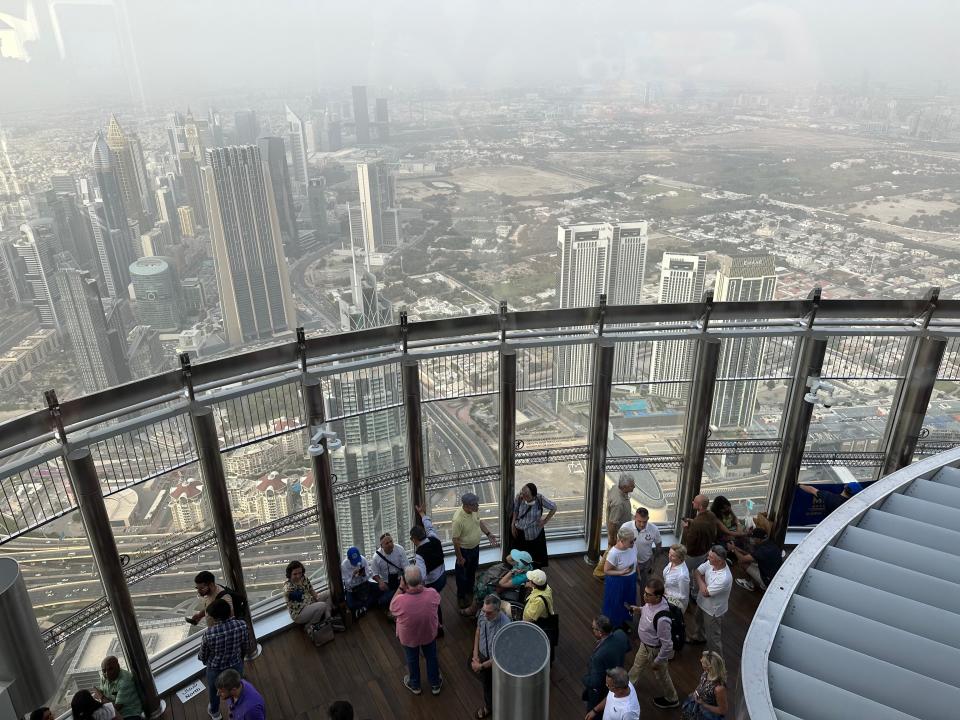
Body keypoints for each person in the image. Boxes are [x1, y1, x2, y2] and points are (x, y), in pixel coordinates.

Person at [390, 565, 443, 696]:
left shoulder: (400, 601)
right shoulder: (432, 594)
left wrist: (401, 587)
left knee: (412, 659)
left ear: (405, 581)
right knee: (431, 656)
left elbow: (391, 607)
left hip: (409, 637)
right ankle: (435, 683)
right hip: (428, 633)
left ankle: (415, 685)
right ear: (422, 579)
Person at [627, 578, 680, 710]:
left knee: (662, 675)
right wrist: (639, 609)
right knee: (636, 667)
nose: (644, 596)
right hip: (644, 646)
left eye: (648, 595)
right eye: (644, 593)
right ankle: (624, 689)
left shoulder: (662, 619)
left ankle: (672, 699)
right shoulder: (650, 603)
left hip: (655, 651)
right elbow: (646, 608)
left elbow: (667, 645)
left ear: (658, 597)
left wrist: (658, 660)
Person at [199, 598, 248, 720]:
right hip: (235, 663)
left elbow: (202, 655)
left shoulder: (209, 634)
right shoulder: (241, 625)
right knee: (236, 685)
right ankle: (238, 705)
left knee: (215, 691)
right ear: (229, 611)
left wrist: (207, 662)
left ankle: (215, 712)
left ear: (214, 617)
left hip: (215, 668)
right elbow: (245, 645)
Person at [453, 492, 499, 609]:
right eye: (475, 504)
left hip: (475, 548)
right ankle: (461, 596)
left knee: (472, 570)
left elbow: (479, 522)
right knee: (462, 575)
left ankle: (469, 590)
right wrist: (460, 557)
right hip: (464, 551)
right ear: (467, 506)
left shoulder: (474, 511)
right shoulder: (458, 520)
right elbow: (456, 540)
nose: (478, 506)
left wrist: (488, 534)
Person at [471, 594, 512, 719]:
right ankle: (489, 707)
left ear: (498, 610)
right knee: (487, 685)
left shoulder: (505, 626)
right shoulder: (483, 615)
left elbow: (501, 656)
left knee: (502, 686)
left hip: (499, 664)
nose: (485, 615)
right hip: (483, 658)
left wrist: (481, 666)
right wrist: (475, 654)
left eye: (489, 612)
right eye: (484, 611)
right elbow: (478, 631)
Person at [459, 548, 533, 617]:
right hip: (508, 581)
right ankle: (478, 606)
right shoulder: (527, 566)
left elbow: (501, 583)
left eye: (517, 561)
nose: (514, 560)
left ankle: (473, 609)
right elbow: (508, 558)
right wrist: (517, 557)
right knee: (485, 578)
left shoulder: (520, 578)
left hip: (509, 588)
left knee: (483, 588)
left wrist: (512, 571)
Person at [687, 546, 733, 656]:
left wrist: (701, 581)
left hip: (713, 611)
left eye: (711, 557)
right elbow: (697, 572)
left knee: (713, 638)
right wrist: (702, 582)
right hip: (702, 603)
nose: (708, 558)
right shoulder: (711, 563)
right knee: (698, 621)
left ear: (720, 561)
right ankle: (699, 637)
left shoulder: (724, 578)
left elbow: (706, 593)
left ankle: (717, 663)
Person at [582, 615, 630, 710]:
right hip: (617, 678)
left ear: (600, 632)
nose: (592, 630)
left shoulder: (598, 656)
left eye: (593, 628)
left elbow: (595, 682)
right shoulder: (621, 634)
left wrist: (585, 679)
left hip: (601, 691)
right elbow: (628, 647)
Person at [411, 505, 447, 635]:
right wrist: (422, 514)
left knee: (433, 605)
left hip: (433, 582)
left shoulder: (420, 554)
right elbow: (429, 526)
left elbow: (422, 575)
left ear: (414, 540)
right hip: (443, 576)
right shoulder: (434, 538)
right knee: (435, 601)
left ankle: (438, 628)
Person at [283, 560, 344, 635]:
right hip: (299, 613)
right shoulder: (288, 588)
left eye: (300, 573)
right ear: (290, 574)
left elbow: (310, 589)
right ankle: (310, 625)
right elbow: (299, 597)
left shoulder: (303, 578)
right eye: (295, 574)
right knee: (322, 605)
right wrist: (299, 584)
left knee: (330, 593)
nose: (298, 576)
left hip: (309, 602)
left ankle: (328, 617)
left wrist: (317, 597)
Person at [510, 482, 557, 567]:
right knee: (520, 557)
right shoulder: (519, 497)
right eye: (522, 492)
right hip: (520, 532)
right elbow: (515, 510)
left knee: (534, 558)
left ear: (533, 495)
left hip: (534, 533)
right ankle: (521, 572)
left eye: (526, 495)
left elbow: (554, 507)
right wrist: (513, 524)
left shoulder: (539, 499)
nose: (523, 496)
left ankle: (534, 574)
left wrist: (545, 521)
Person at [681, 495, 718, 602]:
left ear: (700, 506)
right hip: (704, 551)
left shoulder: (697, 524)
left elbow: (689, 542)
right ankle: (695, 593)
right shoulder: (711, 515)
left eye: (695, 501)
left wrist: (686, 528)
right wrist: (692, 522)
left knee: (685, 572)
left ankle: (685, 594)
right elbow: (706, 528)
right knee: (698, 572)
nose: (692, 502)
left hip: (692, 554)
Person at [620, 506, 662, 595]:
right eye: (639, 521)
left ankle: (644, 606)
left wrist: (654, 562)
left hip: (646, 563)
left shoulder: (654, 529)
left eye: (645, 522)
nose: (642, 524)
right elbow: (619, 544)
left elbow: (658, 545)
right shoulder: (625, 527)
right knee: (628, 587)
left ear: (648, 519)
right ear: (634, 517)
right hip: (629, 563)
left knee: (645, 588)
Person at [601, 527, 637, 630]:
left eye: (634, 540)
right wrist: (621, 572)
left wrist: (637, 574)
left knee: (628, 601)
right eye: (631, 541)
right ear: (622, 541)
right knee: (615, 603)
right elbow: (606, 570)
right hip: (617, 581)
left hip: (630, 579)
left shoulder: (632, 547)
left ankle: (623, 621)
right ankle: (614, 625)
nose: (633, 543)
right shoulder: (614, 553)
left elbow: (635, 560)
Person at [682, 651, 729, 720]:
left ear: (709, 667)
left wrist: (704, 704)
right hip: (696, 705)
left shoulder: (719, 688)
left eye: (703, 661)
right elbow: (702, 685)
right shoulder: (706, 673)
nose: (700, 660)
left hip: (707, 714)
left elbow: (722, 710)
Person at [95, 656, 143, 720]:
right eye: (104, 671)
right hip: (114, 712)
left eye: (110, 669)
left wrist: (101, 697)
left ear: (118, 666)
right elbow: (100, 693)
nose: (107, 673)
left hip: (129, 714)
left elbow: (115, 708)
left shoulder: (125, 681)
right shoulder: (104, 677)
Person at [372, 532, 408, 613]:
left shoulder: (399, 549)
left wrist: (405, 580)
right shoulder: (376, 557)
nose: (390, 544)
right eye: (387, 543)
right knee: (382, 601)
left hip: (400, 579)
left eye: (391, 541)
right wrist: (380, 582)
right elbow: (374, 573)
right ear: (381, 546)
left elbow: (406, 567)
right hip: (386, 583)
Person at [341, 546, 380, 619]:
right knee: (350, 605)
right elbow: (347, 584)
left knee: (378, 588)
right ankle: (365, 605)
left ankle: (362, 607)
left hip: (363, 584)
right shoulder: (344, 565)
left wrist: (364, 574)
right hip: (352, 588)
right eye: (353, 562)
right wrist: (352, 576)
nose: (355, 564)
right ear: (349, 559)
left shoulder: (363, 560)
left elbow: (369, 574)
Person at [663, 543, 691, 612]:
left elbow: (683, 596)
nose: (669, 556)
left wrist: (666, 593)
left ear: (680, 558)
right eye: (669, 553)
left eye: (673, 556)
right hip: (666, 595)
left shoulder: (682, 575)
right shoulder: (672, 562)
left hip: (674, 603)